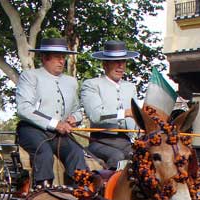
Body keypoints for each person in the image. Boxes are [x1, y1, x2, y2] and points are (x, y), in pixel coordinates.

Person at [16, 37, 87, 187]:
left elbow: (77, 110)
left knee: (77, 153)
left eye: (63, 57)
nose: (61, 61)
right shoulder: (30, 76)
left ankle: (77, 192)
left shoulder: (71, 82)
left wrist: (75, 118)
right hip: (32, 130)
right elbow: (24, 108)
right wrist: (55, 124)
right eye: (57, 57)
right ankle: (43, 191)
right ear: (44, 57)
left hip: (60, 135)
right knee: (44, 153)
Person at [81, 40, 140, 168]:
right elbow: (96, 115)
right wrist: (124, 113)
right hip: (100, 141)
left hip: (126, 141)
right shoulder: (92, 85)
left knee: (144, 157)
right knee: (117, 156)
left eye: (123, 61)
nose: (120, 66)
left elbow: (136, 119)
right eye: (116, 61)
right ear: (105, 64)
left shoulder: (130, 87)